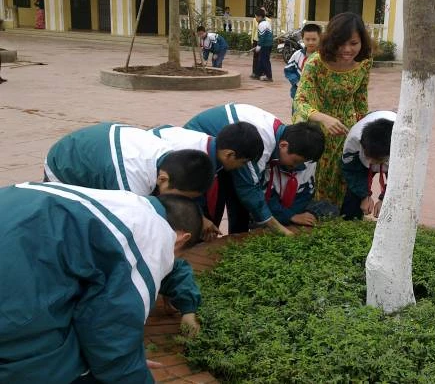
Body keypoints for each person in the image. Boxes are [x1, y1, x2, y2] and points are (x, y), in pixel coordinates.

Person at [0, 182, 203, 383]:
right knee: (58, 367)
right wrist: (132, 367)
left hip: (16, 220)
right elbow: (112, 340)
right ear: (181, 239)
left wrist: (188, 307)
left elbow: (165, 265)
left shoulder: (127, 205)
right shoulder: (151, 235)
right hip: (14, 293)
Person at [184, 103, 325, 236]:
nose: (295, 167)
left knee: (238, 198)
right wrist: (279, 229)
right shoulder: (259, 145)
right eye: (295, 161)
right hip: (195, 156)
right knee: (206, 211)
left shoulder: (277, 133)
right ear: (283, 145)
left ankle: (235, 238)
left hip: (218, 151)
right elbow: (249, 189)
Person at [292, 12, 373, 207]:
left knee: (344, 176)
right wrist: (323, 119)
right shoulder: (316, 62)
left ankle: (336, 223)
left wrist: (361, 130)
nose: (347, 49)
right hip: (316, 129)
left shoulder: (365, 62)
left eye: (353, 43)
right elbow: (300, 101)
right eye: (341, 43)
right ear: (331, 40)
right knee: (312, 178)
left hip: (345, 129)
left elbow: (361, 98)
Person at [150, 122, 264, 238]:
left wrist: (202, 218)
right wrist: (200, 219)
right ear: (229, 155)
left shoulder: (213, 150)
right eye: (243, 162)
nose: (242, 168)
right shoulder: (192, 158)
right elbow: (178, 197)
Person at [44, 122, 214, 198]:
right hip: (65, 167)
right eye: (177, 196)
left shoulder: (170, 157)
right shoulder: (131, 182)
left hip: (99, 154)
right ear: (162, 179)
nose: (179, 202)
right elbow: (129, 226)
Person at [341, 110, 396, 220]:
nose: (370, 162)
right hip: (360, 158)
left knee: (394, 203)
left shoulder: (402, 149)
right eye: (367, 156)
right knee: (353, 197)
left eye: (376, 160)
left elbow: (399, 181)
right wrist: (364, 195)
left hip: (393, 158)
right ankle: (349, 221)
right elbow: (351, 171)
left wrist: (384, 199)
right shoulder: (353, 141)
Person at [284, 23, 322, 105]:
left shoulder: (323, 57)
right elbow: (288, 70)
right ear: (302, 39)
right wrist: (296, 82)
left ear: (320, 38)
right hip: (298, 95)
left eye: (314, 39)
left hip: (318, 97)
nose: (310, 42)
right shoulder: (297, 55)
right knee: (298, 116)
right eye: (307, 39)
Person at [252, 8, 274, 82]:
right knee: (261, 60)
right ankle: (257, 74)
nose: (256, 18)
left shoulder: (262, 24)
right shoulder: (267, 23)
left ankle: (269, 76)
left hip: (265, 45)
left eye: (256, 17)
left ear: (260, 17)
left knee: (265, 61)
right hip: (269, 44)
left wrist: (259, 45)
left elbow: (262, 36)